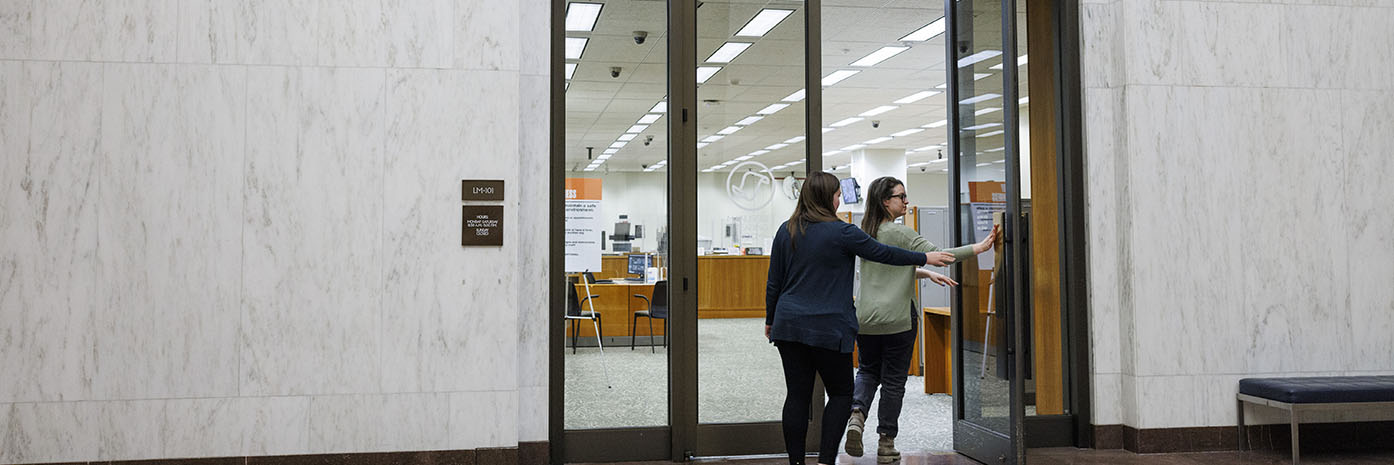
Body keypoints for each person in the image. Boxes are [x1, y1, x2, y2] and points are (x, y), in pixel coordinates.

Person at [765, 171, 958, 465]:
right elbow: (884, 254)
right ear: (827, 198)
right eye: (837, 194)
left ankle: (796, 463)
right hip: (830, 327)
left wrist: (770, 320)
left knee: (797, 396)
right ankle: (826, 460)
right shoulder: (843, 232)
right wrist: (924, 258)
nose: (840, 199)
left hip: (789, 325)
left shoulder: (786, 229)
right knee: (841, 394)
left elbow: (774, 282)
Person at [844, 176, 997, 462]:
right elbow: (942, 256)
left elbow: (888, 269)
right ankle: (886, 443)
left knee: (866, 371)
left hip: (865, 319)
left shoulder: (866, 232)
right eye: (901, 196)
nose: (906, 201)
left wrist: (924, 273)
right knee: (893, 381)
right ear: (884, 201)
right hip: (899, 319)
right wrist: (979, 248)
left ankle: (857, 414)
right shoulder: (901, 233)